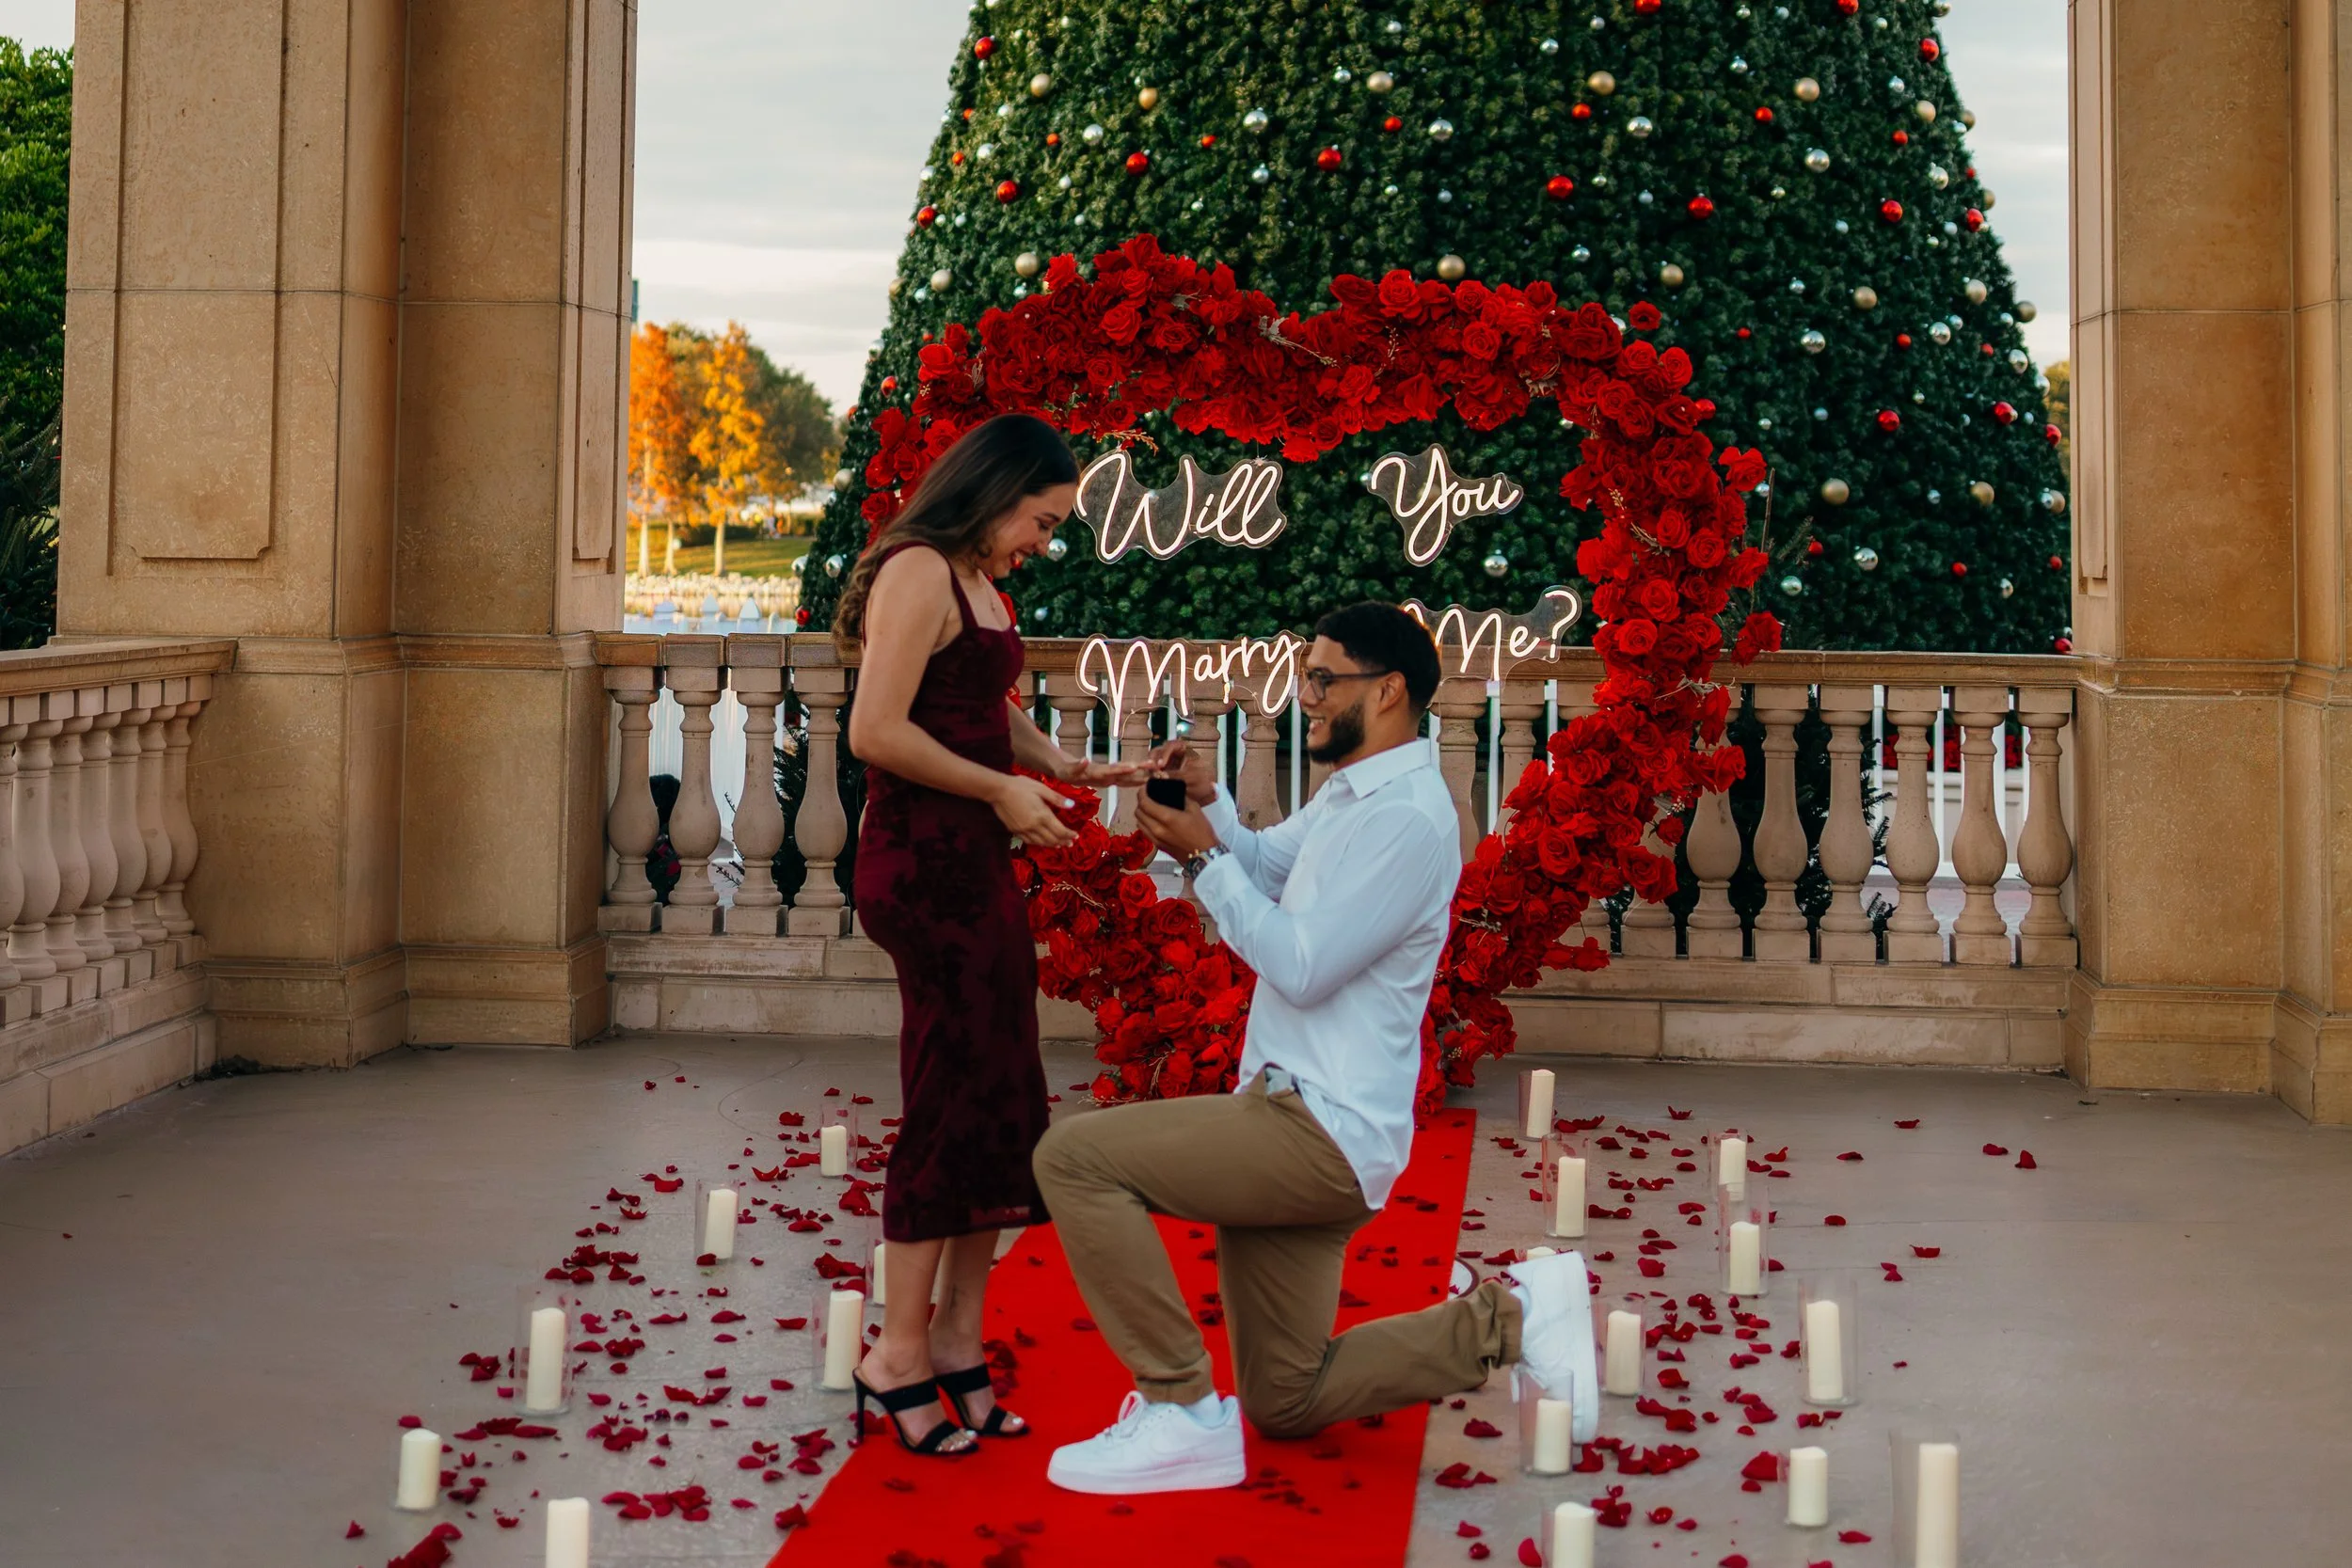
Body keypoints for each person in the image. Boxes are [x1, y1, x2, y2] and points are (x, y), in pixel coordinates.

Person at [1032, 602, 1597, 1495]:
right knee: (1286, 1398)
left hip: (1324, 1128)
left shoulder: (1408, 820)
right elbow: (1265, 867)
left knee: (1073, 1158)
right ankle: (1514, 1321)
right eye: (1306, 676)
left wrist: (1203, 863)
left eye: (1323, 679)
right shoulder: (1352, 791)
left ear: (1389, 690)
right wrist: (1211, 817)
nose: (1306, 696)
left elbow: (1300, 965)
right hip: (1293, 1106)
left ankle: (1178, 1406)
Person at [834, 414, 1148, 1456]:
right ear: (994, 489)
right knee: (952, 1097)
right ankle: (896, 1354)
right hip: (923, 864)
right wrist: (1003, 792)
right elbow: (875, 731)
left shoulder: (968, 573)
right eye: (1041, 518)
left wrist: (1058, 765)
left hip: (971, 858)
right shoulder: (916, 567)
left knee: (1000, 1097)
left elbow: (974, 696)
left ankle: (958, 1342)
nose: (1043, 541)